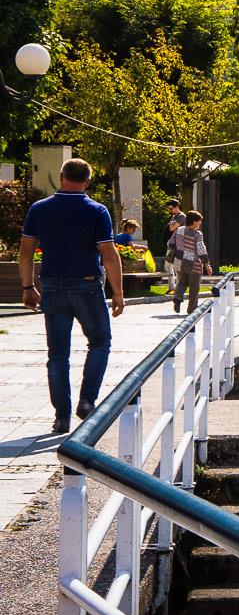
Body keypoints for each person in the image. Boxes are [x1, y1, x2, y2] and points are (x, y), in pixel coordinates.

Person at [20, 159, 125, 433]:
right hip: (87, 286)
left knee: (57, 355)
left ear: (60, 176)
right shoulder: (97, 211)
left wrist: (28, 287)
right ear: (88, 182)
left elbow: (26, 251)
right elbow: (109, 254)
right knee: (100, 343)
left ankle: (62, 417)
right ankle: (87, 401)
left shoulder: (39, 209)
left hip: (52, 287)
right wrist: (118, 292)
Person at [168, 209, 210, 313]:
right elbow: (201, 249)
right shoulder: (197, 234)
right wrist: (207, 264)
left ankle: (177, 298)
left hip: (179, 261)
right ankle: (192, 309)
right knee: (194, 287)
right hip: (194, 263)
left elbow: (170, 243)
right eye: (198, 221)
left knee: (181, 282)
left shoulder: (179, 230)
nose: (200, 223)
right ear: (194, 221)